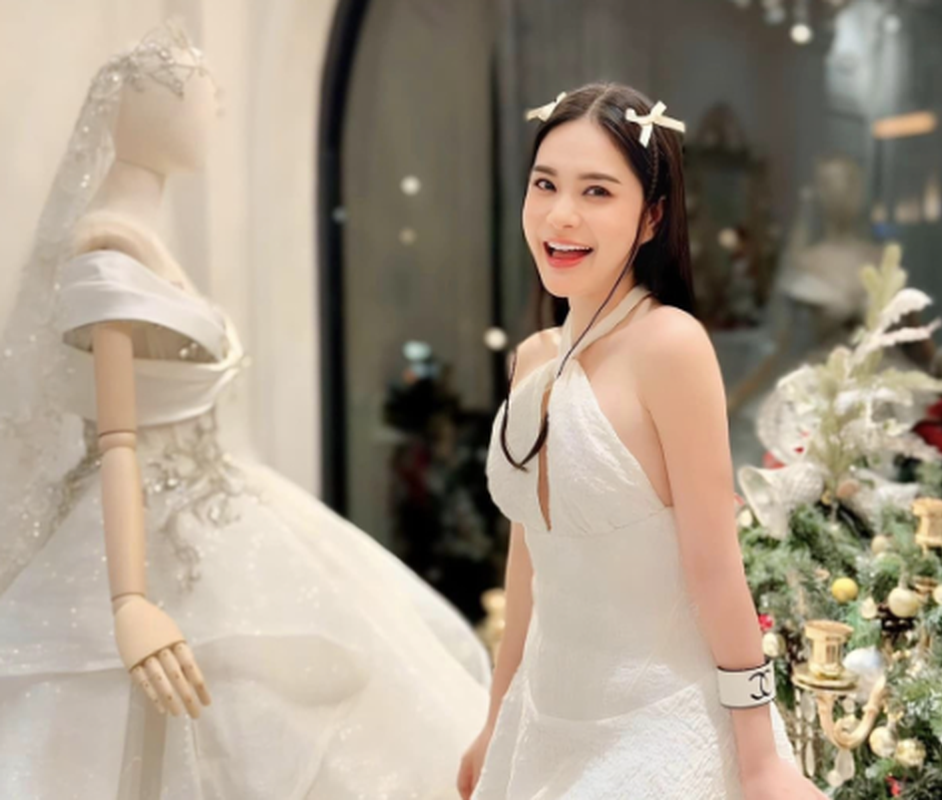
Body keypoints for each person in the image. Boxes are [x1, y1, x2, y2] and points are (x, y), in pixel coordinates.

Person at [0, 23, 488, 798]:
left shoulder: (145, 241)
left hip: (219, 507)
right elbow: (118, 439)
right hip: (150, 530)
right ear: (153, 111)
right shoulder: (108, 247)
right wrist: (129, 601)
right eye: (204, 98)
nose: (216, 112)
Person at [457, 83, 823, 800]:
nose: (561, 214)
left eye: (596, 191)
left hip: (659, 728)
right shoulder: (532, 358)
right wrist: (496, 717)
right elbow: (527, 561)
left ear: (652, 216)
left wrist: (758, 761)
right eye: (545, 184)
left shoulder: (669, 346)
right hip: (542, 726)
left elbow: (716, 567)